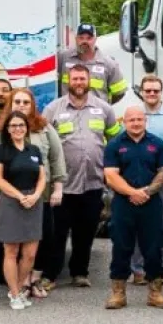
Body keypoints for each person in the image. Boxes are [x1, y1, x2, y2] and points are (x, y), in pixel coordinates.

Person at [42, 64, 120, 289]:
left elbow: (114, 142)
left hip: (93, 182)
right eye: (74, 79)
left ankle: (80, 272)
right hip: (62, 184)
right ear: (68, 81)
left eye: (82, 79)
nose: (78, 83)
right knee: (57, 234)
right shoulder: (53, 109)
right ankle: (50, 275)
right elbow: (44, 143)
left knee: (85, 233)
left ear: (89, 82)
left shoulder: (104, 109)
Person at [0, 88, 67, 298]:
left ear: (32, 105)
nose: (21, 105)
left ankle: (33, 280)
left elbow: (56, 159)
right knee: (13, 242)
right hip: (9, 196)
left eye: (25, 102)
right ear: (10, 105)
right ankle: (16, 285)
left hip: (42, 195)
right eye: (17, 101)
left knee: (41, 239)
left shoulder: (44, 128)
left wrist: (58, 187)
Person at [102, 103, 163, 310]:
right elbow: (110, 175)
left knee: (153, 247)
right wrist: (133, 193)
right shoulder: (115, 145)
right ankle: (118, 293)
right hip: (123, 204)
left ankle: (155, 293)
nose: (135, 123)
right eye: (131, 120)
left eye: (139, 119)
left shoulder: (158, 144)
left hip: (151, 203)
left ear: (146, 121)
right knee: (121, 247)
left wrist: (147, 192)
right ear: (124, 122)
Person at [0, 109, 48, 310]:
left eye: (21, 125)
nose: (18, 129)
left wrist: (36, 195)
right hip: (12, 202)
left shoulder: (34, 151)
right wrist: (20, 196)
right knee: (11, 251)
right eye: (13, 125)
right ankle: (14, 293)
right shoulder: (1, 150)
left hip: (33, 202)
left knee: (30, 254)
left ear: (27, 128)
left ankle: (20, 287)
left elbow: (42, 177)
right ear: (7, 129)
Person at [56, 22, 128, 102]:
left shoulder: (108, 64)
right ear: (76, 39)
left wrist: (103, 106)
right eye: (81, 38)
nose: (84, 41)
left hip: (95, 113)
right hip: (68, 112)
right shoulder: (63, 57)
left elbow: (119, 93)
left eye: (89, 38)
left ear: (95, 39)